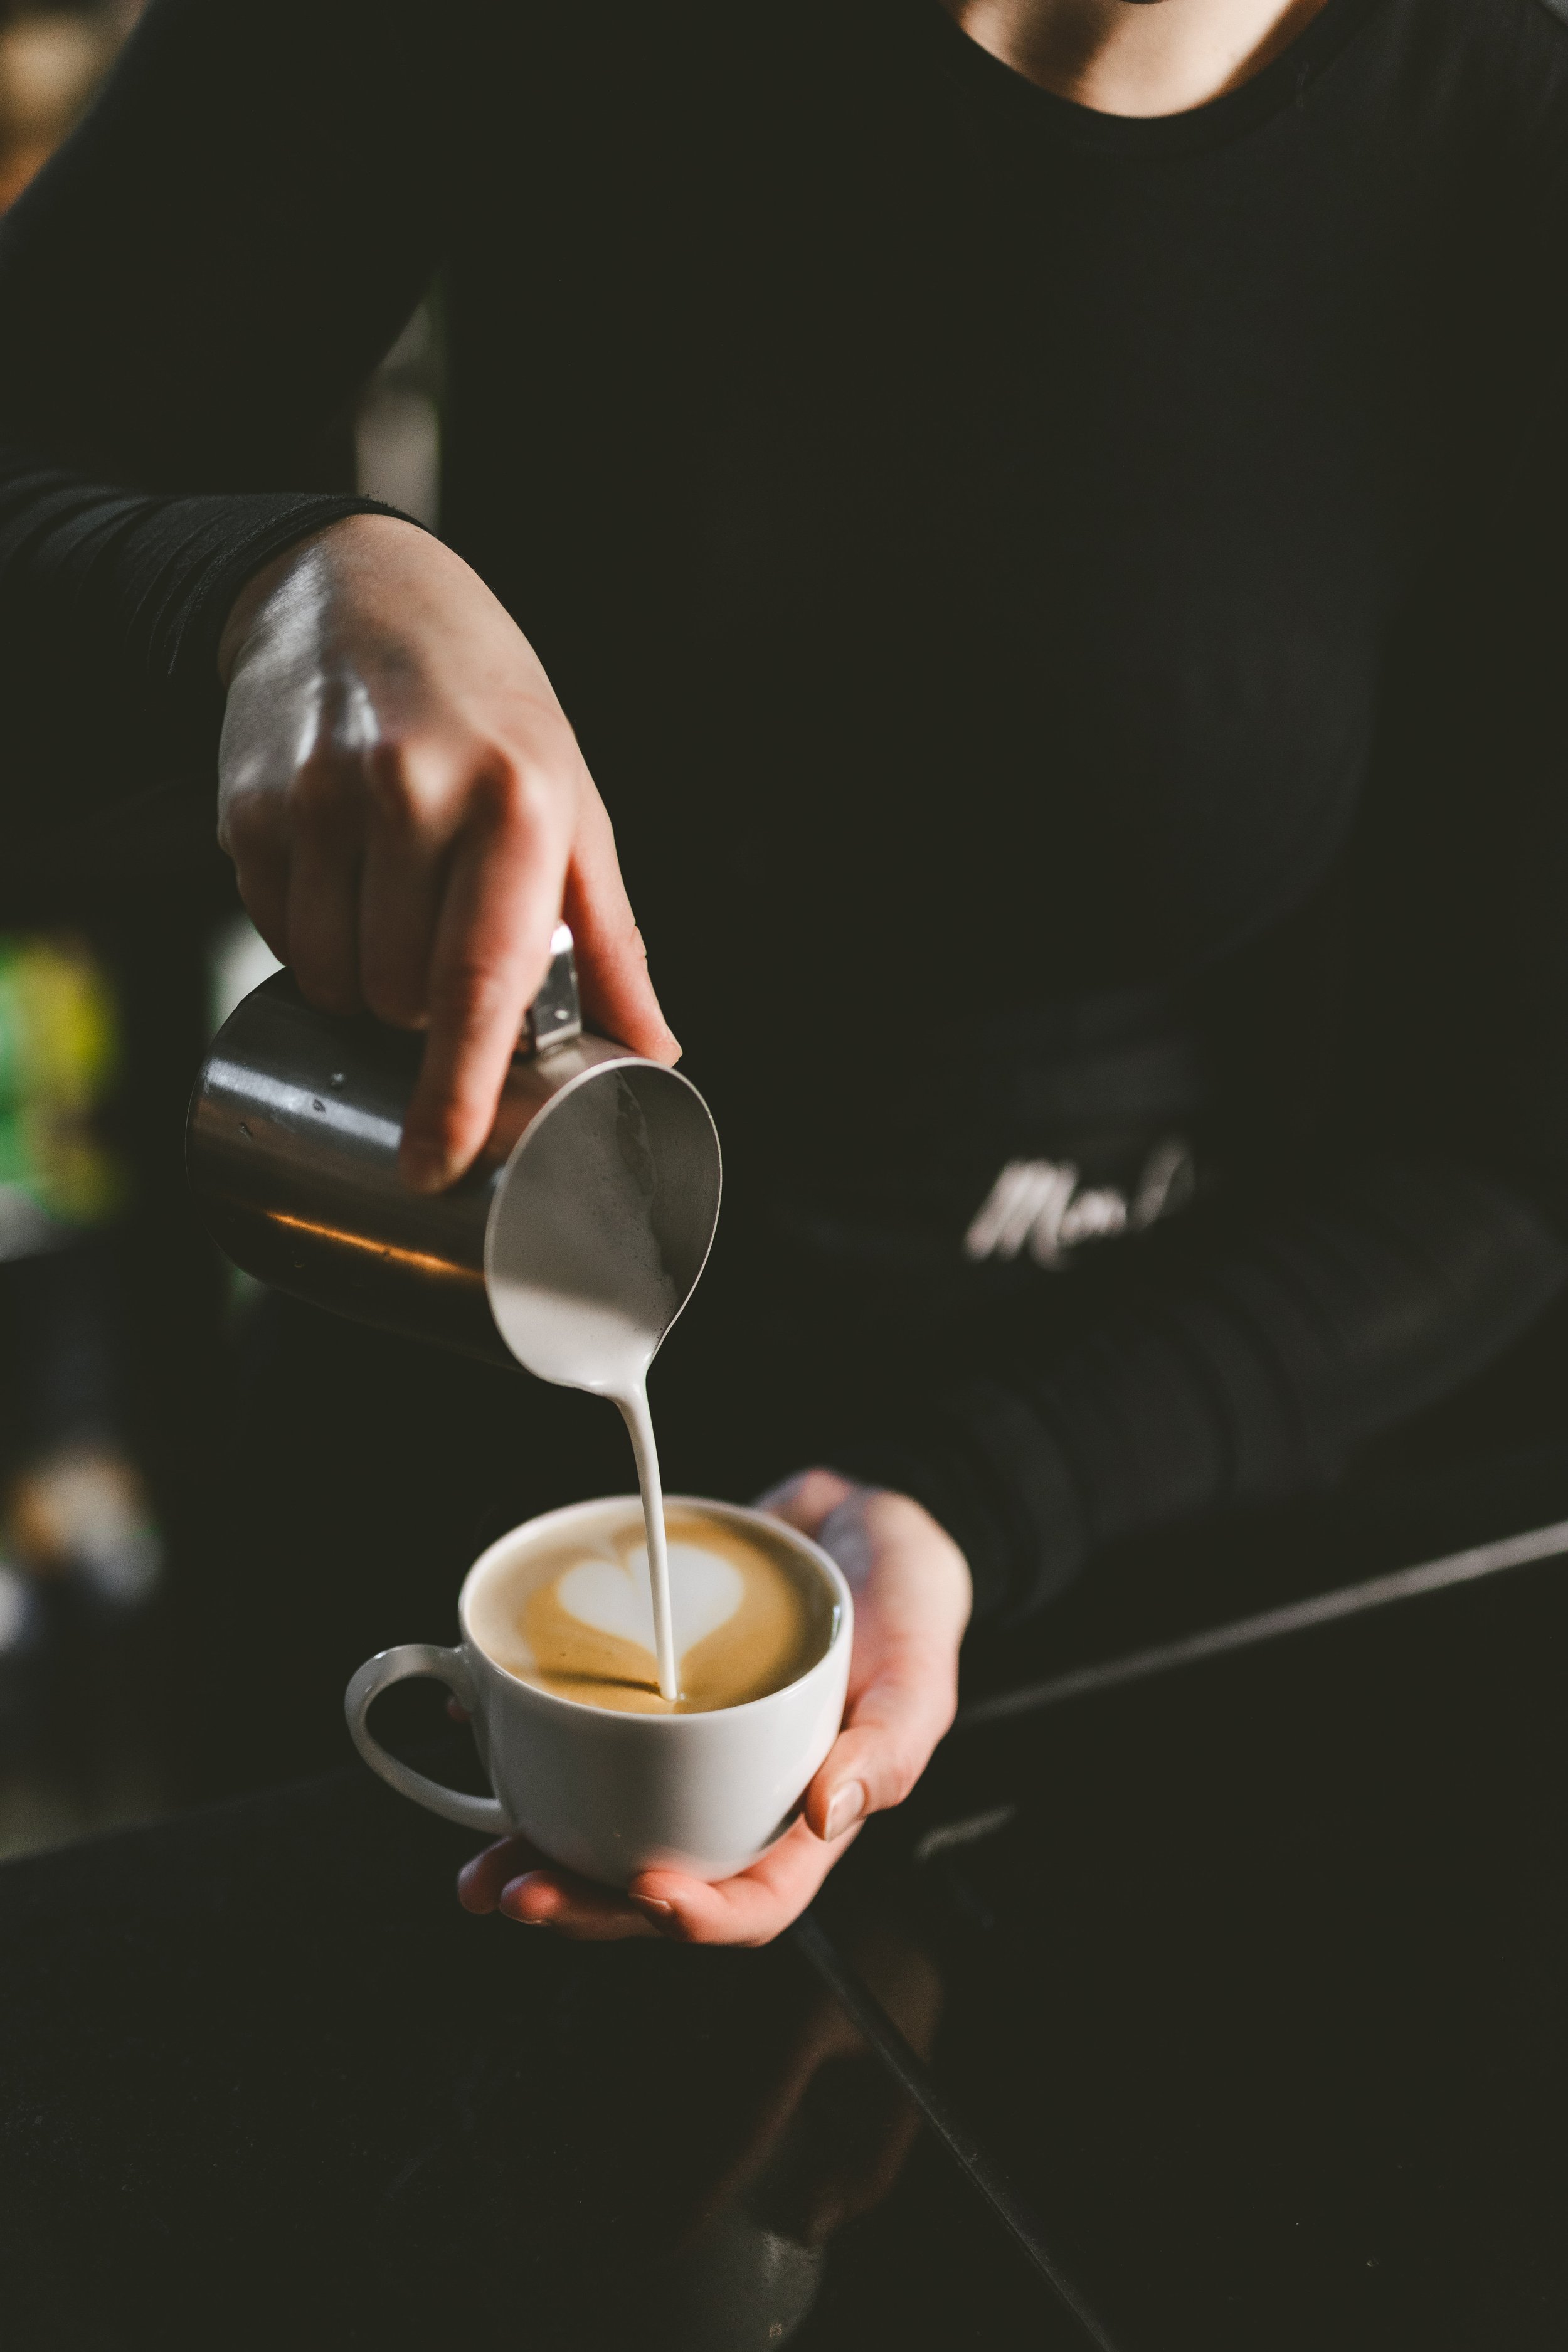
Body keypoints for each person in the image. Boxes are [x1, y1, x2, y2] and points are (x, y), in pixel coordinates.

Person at [1, 0, 1565, 1942]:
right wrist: (264, 587)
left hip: (1135, 1536)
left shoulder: (1508, 131)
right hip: (429, 1442)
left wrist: (982, 1494)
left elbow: (1507, 1155)